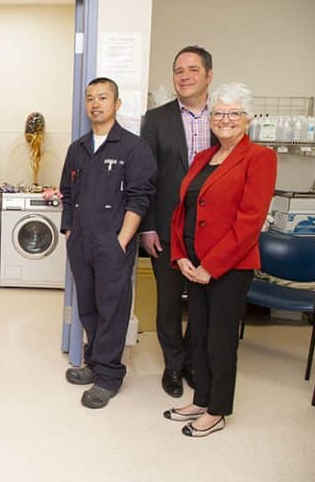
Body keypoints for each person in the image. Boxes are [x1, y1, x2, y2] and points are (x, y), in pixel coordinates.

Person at [164, 82, 276, 437]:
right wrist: (181, 255)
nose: (225, 120)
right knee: (197, 336)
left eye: (234, 113)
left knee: (220, 339)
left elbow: (249, 221)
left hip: (228, 266)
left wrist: (211, 266)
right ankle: (201, 399)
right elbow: (182, 212)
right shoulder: (202, 158)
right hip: (194, 263)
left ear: (248, 119)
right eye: (219, 113)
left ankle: (218, 409)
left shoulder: (260, 158)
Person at [60, 77, 156, 409]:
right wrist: (70, 231)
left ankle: (109, 377)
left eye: (103, 97)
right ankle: (94, 363)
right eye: (90, 98)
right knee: (87, 306)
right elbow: (67, 193)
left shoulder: (133, 148)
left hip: (112, 242)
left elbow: (139, 198)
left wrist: (122, 240)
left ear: (117, 104)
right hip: (81, 241)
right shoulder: (78, 148)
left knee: (112, 309)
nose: (95, 104)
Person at [140, 46, 217, 398]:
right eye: (178, 70)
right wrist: (148, 226)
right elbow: (146, 178)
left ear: (208, 75)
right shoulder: (156, 119)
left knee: (203, 302)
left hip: (211, 231)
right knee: (169, 301)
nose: (184, 76)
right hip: (167, 229)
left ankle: (192, 363)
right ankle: (173, 365)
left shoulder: (224, 117)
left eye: (192, 69)